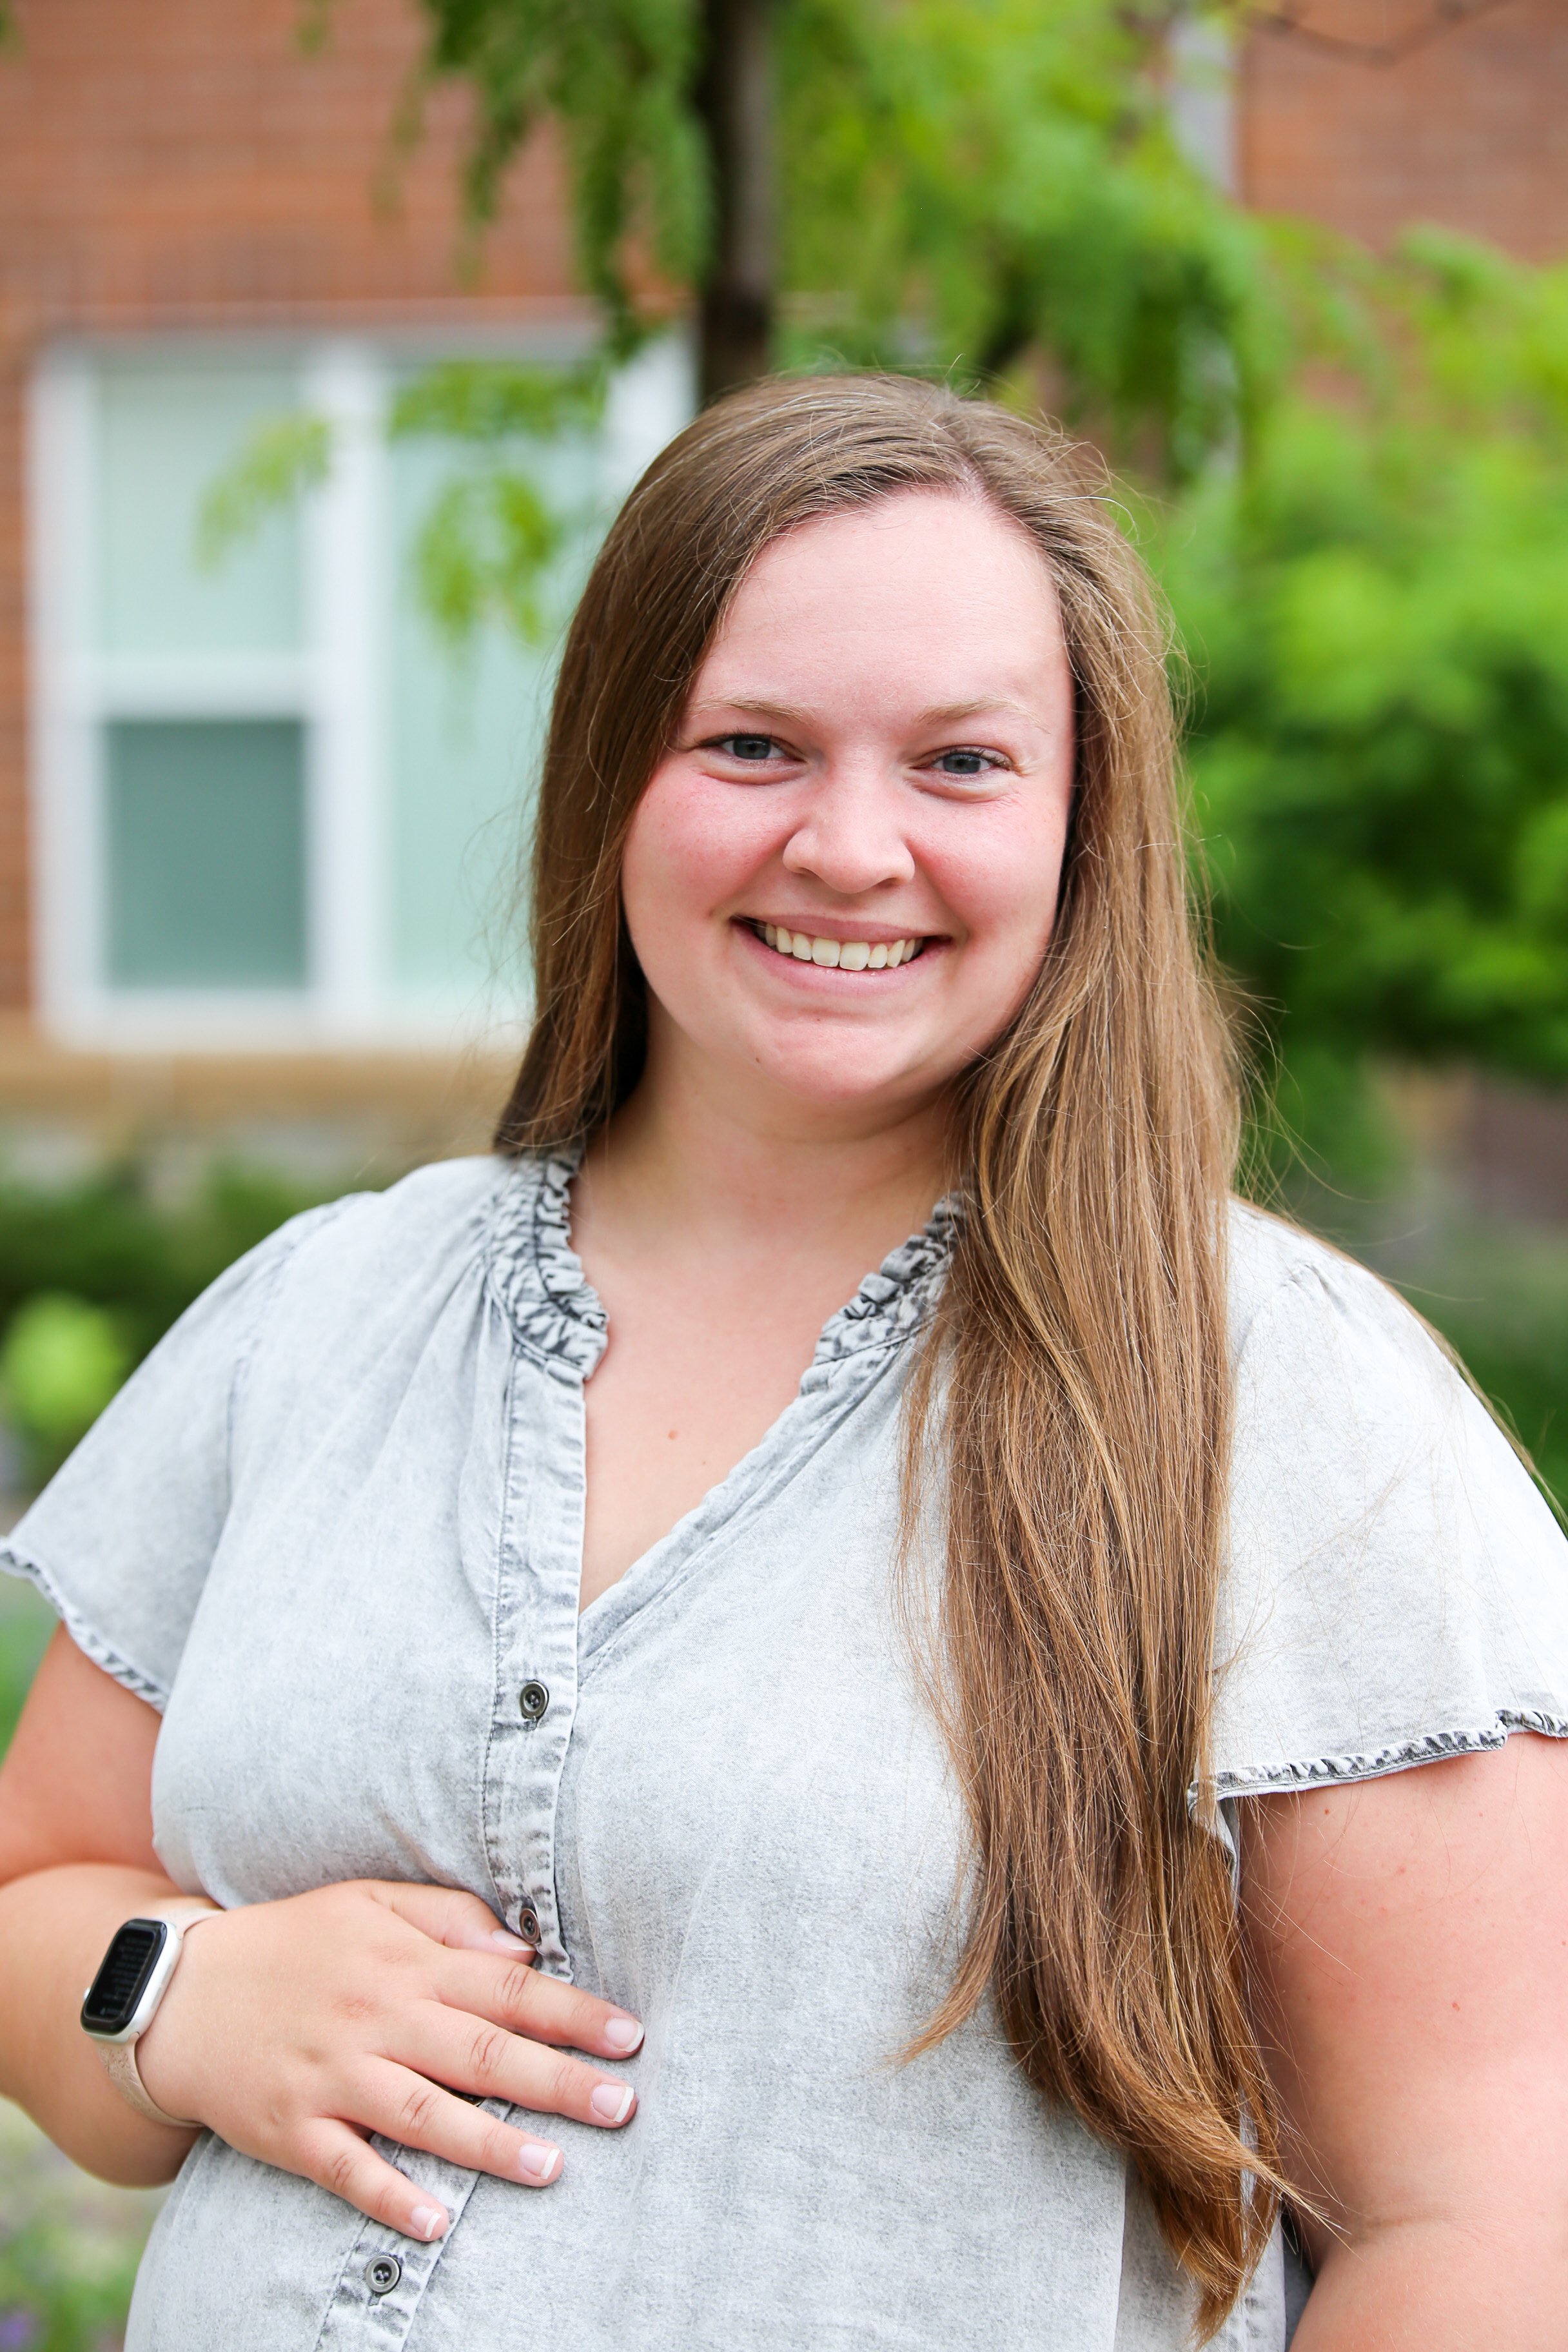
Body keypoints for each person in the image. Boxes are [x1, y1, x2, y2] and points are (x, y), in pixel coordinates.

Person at [1, 375, 1566, 2352]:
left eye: (962, 765)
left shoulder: (1296, 1407)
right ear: (610, 778)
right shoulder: (319, 1317)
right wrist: (179, 1996)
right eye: (751, 744)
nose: (849, 846)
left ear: (1084, 824)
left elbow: (1482, 2225)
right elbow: (37, 1891)